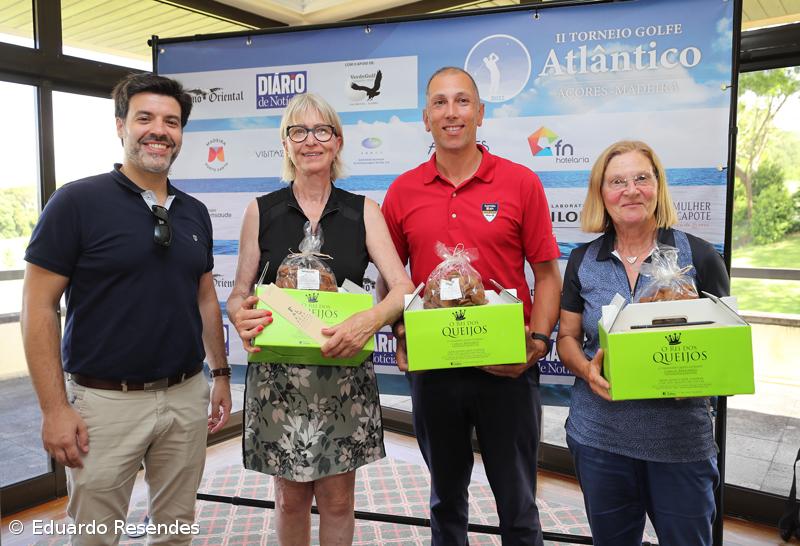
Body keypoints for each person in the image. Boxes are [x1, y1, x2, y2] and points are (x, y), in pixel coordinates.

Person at [20, 73, 232, 545]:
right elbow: (37, 306)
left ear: (181, 134)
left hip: (184, 397)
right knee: (96, 535)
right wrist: (54, 409)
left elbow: (203, 297)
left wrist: (219, 375)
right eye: (145, 118)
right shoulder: (76, 202)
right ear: (121, 126)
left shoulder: (194, 211)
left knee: (176, 530)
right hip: (103, 405)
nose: (159, 130)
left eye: (171, 121)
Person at [380, 67, 562, 546]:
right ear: (425, 118)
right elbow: (390, 279)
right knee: (445, 500)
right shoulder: (402, 191)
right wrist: (400, 334)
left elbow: (546, 274)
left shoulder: (521, 182)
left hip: (507, 367)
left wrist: (539, 342)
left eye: (462, 102)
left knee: (518, 501)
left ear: (480, 113)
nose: (451, 112)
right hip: (435, 369)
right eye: (439, 103)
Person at [226, 93, 414, 545]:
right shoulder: (262, 210)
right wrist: (239, 314)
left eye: (321, 130)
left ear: (338, 141)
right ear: (285, 144)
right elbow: (238, 293)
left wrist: (368, 322)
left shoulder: (363, 211)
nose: (310, 140)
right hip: (279, 377)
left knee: (336, 500)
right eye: (298, 131)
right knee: (290, 499)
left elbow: (404, 289)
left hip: (342, 374)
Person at [557, 140, 729, 546]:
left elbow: (726, 347)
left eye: (641, 179)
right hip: (599, 438)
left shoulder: (699, 258)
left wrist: (697, 376)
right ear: (601, 193)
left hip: (680, 444)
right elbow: (566, 337)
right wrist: (586, 370)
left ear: (658, 187)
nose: (630, 190)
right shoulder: (583, 260)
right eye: (616, 181)